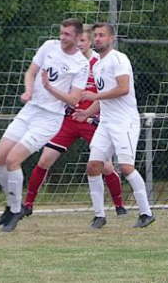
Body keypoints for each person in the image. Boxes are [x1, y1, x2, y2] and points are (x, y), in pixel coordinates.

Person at [0, 18, 89, 232]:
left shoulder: (81, 64)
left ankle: (17, 210)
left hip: (49, 119)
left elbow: (73, 100)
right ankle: (10, 205)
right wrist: (29, 90)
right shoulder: (49, 46)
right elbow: (31, 72)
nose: (62, 37)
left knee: (12, 159)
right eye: (61, 32)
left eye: (67, 34)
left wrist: (49, 88)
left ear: (76, 37)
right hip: (30, 110)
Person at [23, 25, 126, 216]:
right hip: (69, 119)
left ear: (89, 42)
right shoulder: (69, 62)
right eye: (77, 40)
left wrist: (89, 113)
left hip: (92, 120)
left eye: (83, 41)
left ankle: (119, 206)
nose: (78, 44)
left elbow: (107, 94)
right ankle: (27, 205)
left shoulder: (100, 63)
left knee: (106, 166)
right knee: (45, 159)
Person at [81, 22, 155, 229]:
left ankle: (146, 213)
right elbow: (103, 98)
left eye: (102, 35)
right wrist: (87, 112)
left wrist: (95, 95)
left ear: (111, 38)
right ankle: (99, 215)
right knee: (93, 165)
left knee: (126, 167)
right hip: (106, 122)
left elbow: (122, 89)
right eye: (95, 35)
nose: (97, 39)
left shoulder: (119, 59)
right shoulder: (96, 65)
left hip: (125, 122)